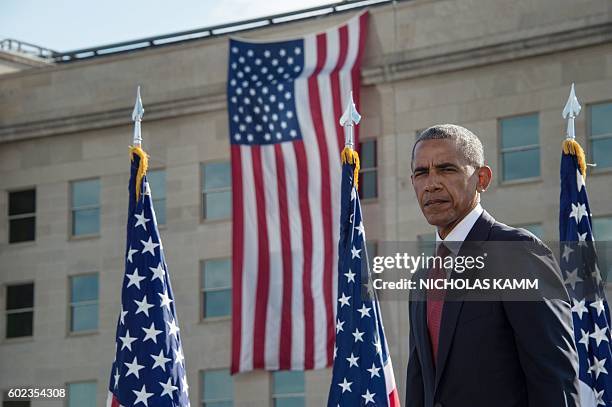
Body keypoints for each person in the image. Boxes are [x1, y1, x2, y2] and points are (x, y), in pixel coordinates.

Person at [405, 124, 580, 407]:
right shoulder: (422, 275)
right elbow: (419, 386)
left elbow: (554, 377)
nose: (432, 183)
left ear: (482, 178)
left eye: (447, 169)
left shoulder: (515, 252)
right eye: (421, 172)